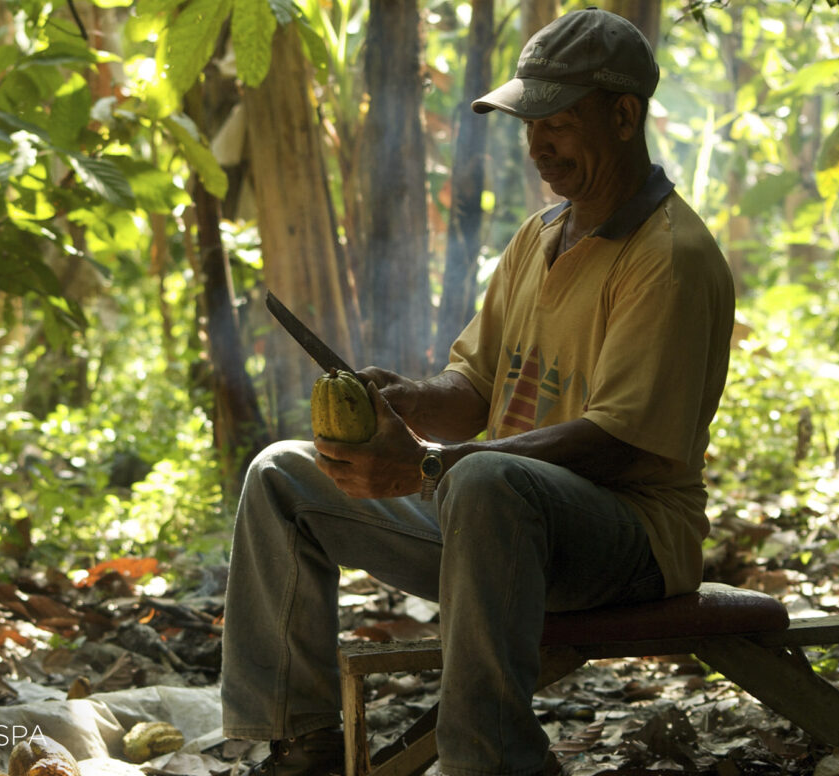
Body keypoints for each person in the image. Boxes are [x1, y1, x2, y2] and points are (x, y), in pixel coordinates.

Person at [220, 8, 736, 776]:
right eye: (531, 124)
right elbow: (477, 384)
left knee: (488, 477)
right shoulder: (539, 237)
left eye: (558, 121)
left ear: (624, 116)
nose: (538, 145)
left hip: (627, 540)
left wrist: (433, 468)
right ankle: (299, 743)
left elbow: (617, 441)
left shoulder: (670, 257)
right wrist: (411, 400)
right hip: (492, 519)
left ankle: (491, 762)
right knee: (281, 476)